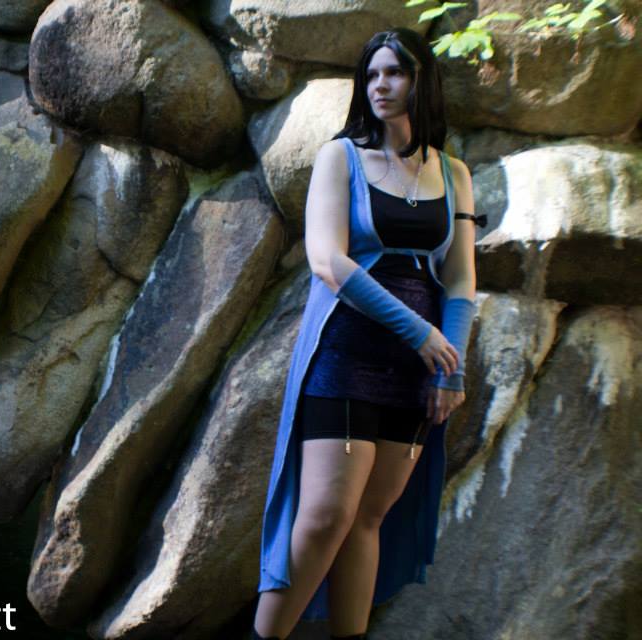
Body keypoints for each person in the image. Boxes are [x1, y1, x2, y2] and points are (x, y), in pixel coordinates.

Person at [252, 27, 483, 640]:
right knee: (325, 517)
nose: (381, 85)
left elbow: (460, 278)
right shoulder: (341, 157)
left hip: (418, 369)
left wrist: (450, 367)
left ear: (421, 81)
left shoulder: (454, 172)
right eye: (372, 74)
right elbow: (328, 261)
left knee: (368, 519)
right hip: (346, 352)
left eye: (395, 73)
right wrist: (422, 335)